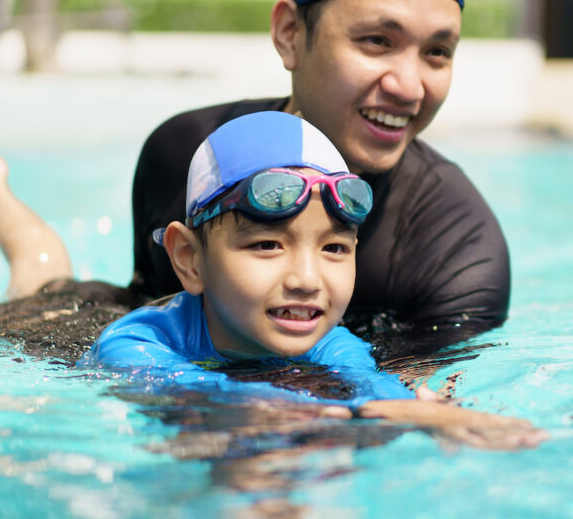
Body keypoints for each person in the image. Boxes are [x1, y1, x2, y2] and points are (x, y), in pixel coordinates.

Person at [0, 0, 511, 361]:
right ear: (289, 34)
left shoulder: (457, 252)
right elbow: (146, 305)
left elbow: (403, 412)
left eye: (437, 53)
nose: (410, 86)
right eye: (376, 42)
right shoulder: (185, 152)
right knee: (42, 298)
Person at [83, 110, 545, 449]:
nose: (307, 279)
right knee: (41, 279)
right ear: (189, 260)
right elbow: (198, 395)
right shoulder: (134, 342)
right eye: (267, 245)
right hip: (60, 324)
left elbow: (371, 386)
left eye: (334, 249)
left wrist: (420, 410)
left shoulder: (331, 344)